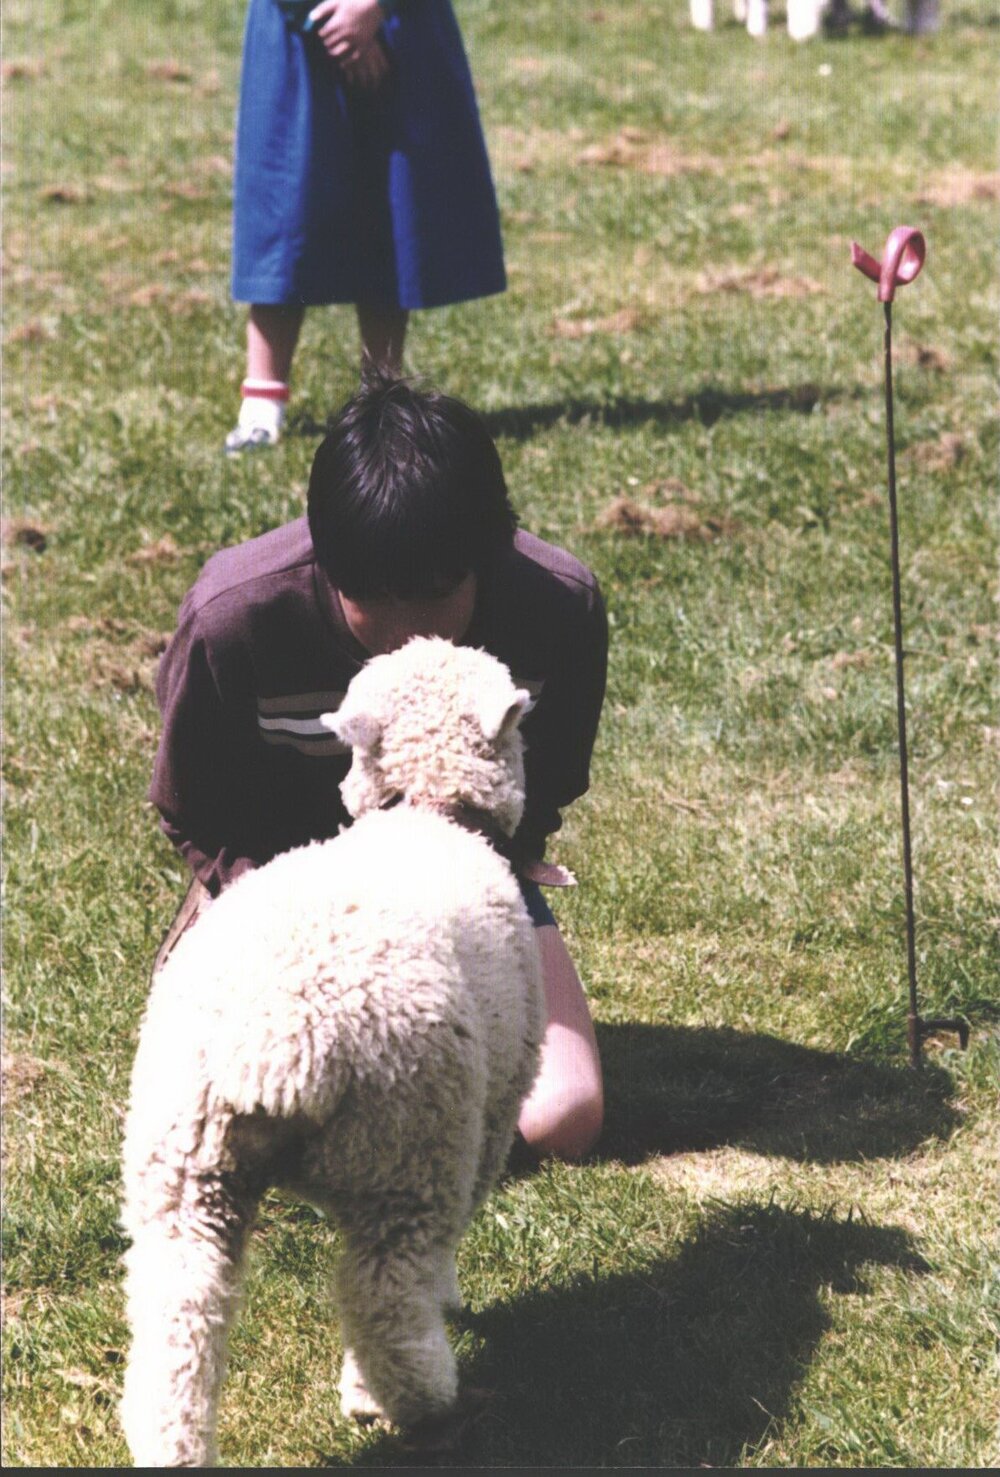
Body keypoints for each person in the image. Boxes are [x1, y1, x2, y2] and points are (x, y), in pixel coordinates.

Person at [150, 373, 608, 1161]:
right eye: (374, 598)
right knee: (233, 1111)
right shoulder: (233, 618)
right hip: (284, 878)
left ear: (486, 557)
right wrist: (284, 907)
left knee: (564, 1115)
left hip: (465, 879)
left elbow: (548, 780)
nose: (405, 630)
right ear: (326, 562)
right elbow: (197, 806)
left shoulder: (558, 609)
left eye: (434, 594)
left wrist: (470, 870)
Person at [226, 0, 505, 454]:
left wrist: (374, 8)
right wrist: (321, 18)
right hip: (296, 35)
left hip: (399, 29)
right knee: (287, 205)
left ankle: (380, 401)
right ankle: (262, 401)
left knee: (391, 197)